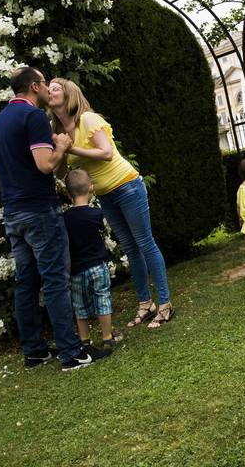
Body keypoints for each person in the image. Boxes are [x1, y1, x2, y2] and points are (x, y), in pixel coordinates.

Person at [0, 66, 106, 371]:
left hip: (13, 212)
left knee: (26, 282)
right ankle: (72, 353)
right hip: (39, 210)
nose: (46, 87)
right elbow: (45, 165)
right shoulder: (33, 117)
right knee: (55, 279)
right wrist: (62, 147)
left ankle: (35, 351)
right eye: (43, 83)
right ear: (35, 87)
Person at [47, 78, 173, 329]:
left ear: (69, 93)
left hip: (126, 185)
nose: (49, 91)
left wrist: (73, 150)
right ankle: (145, 303)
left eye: (55, 88)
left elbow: (106, 153)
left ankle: (165, 304)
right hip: (105, 194)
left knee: (144, 243)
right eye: (48, 89)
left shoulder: (89, 119)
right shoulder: (58, 130)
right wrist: (60, 151)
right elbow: (61, 172)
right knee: (129, 247)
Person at [64, 168, 124, 352]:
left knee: (79, 305)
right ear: (91, 189)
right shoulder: (96, 214)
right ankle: (107, 337)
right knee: (102, 298)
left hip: (75, 269)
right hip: (97, 265)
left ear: (68, 193)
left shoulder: (64, 218)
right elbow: (103, 230)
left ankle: (85, 340)